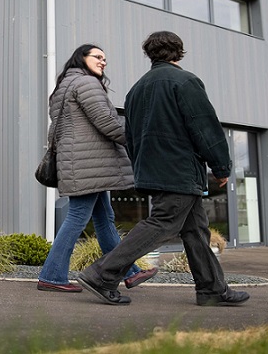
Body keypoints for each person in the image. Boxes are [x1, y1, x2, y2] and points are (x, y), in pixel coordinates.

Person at [77, 31, 250, 306]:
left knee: (196, 230)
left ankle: (212, 290)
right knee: (162, 223)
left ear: (150, 54)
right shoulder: (185, 82)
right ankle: (101, 275)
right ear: (179, 52)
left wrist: (142, 167)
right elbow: (205, 127)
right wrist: (220, 165)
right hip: (179, 170)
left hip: (154, 170)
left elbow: (131, 137)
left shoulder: (136, 90)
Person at [37, 44, 158, 293]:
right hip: (88, 164)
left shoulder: (64, 86)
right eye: (98, 57)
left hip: (82, 163)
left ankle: (130, 272)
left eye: (105, 58)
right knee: (77, 218)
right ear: (81, 58)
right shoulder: (86, 83)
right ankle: (52, 276)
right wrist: (136, 141)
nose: (103, 61)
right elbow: (106, 120)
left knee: (104, 219)